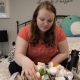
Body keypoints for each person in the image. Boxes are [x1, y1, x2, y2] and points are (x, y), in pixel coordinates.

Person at [9, 1, 69, 80]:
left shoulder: (58, 31)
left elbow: (65, 52)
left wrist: (50, 65)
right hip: (31, 64)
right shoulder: (24, 31)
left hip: (51, 62)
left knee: (68, 62)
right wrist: (24, 60)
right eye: (42, 19)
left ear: (53, 20)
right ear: (35, 18)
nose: (45, 24)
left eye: (50, 21)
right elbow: (18, 55)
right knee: (13, 66)